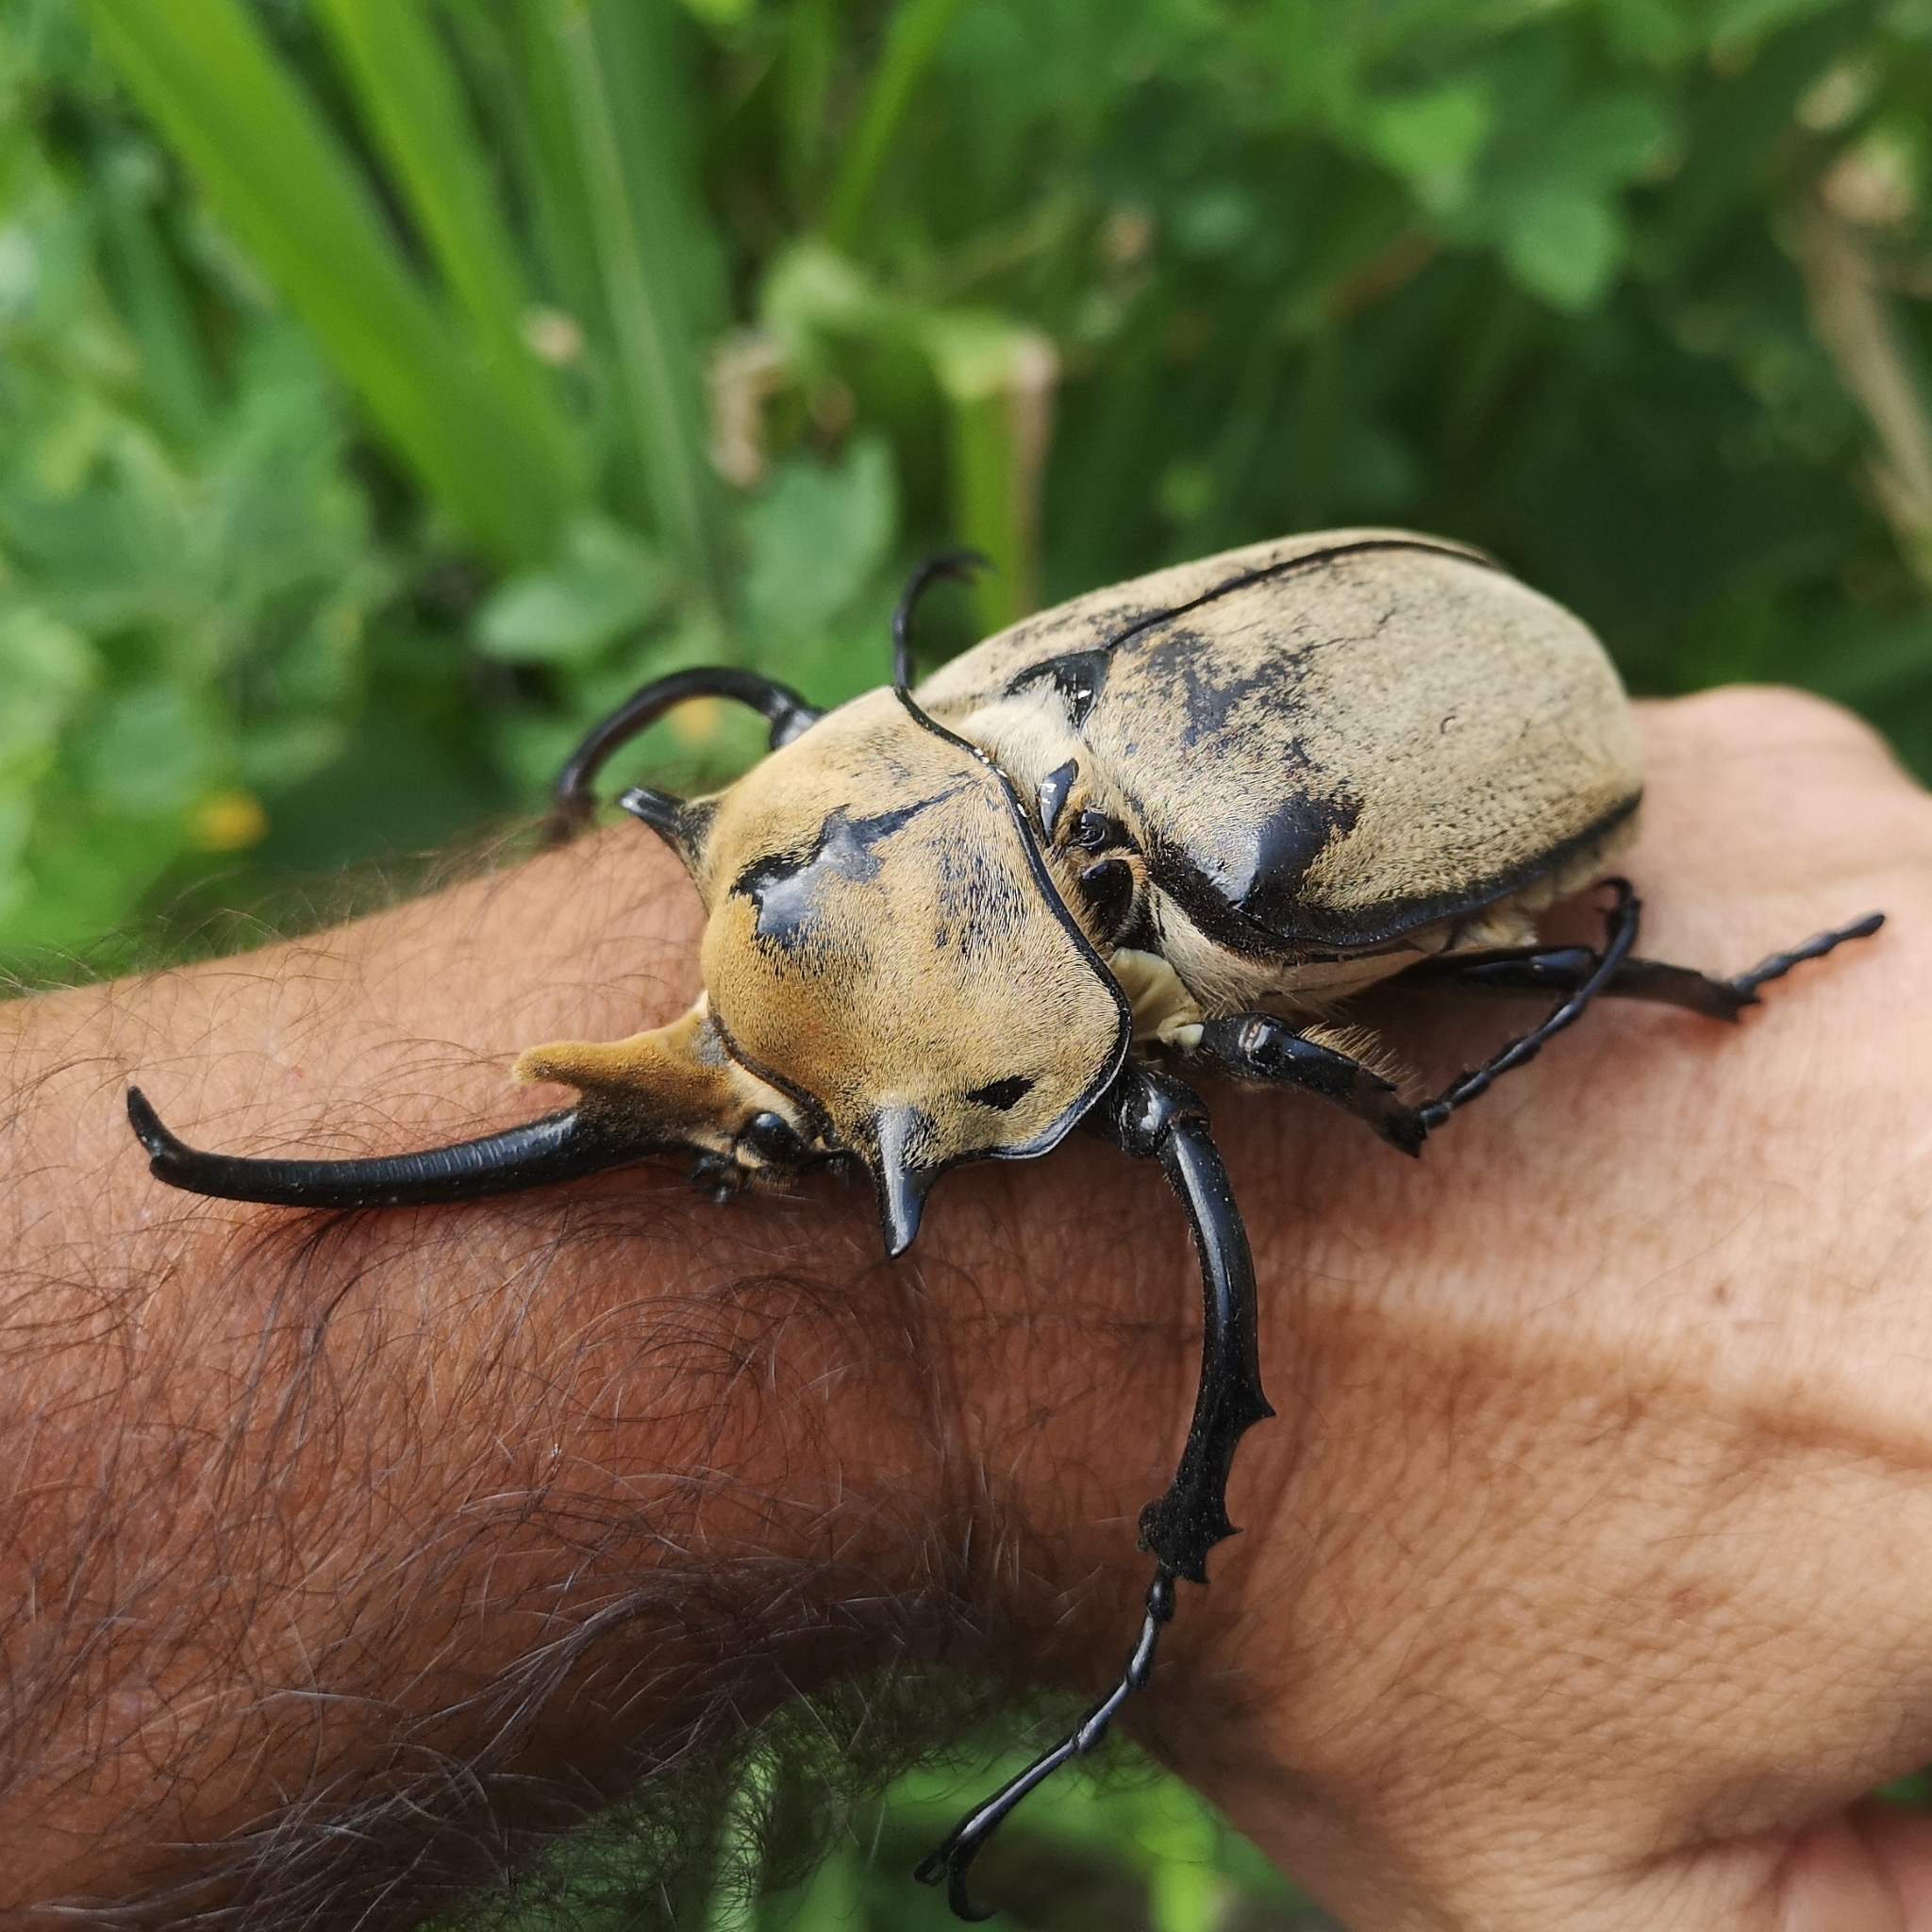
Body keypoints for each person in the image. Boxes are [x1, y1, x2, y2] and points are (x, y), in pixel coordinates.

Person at [1, 685, 1926, 1931]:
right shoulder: (889, 767)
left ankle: (1729, 989)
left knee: (1425, 1017)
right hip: (1139, 697)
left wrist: (1384, 1110)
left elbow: (1357, 1115)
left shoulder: (1197, 954)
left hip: (1463, 742)